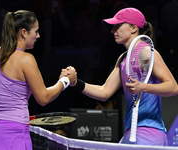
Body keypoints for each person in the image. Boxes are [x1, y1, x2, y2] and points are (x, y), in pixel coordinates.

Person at [63, 8, 178, 146]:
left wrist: (142, 87)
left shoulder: (146, 52)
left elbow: (173, 86)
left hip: (149, 133)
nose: (112, 31)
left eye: (118, 26)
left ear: (134, 28)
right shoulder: (123, 58)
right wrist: (76, 83)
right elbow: (104, 91)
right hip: (132, 132)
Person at [0, 10, 76, 150]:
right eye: (35, 31)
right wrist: (65, 81)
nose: (38, 36)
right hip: (13, 133)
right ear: (24, 32)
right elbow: (43, 98)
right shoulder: (26, 60)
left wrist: (1, 108)